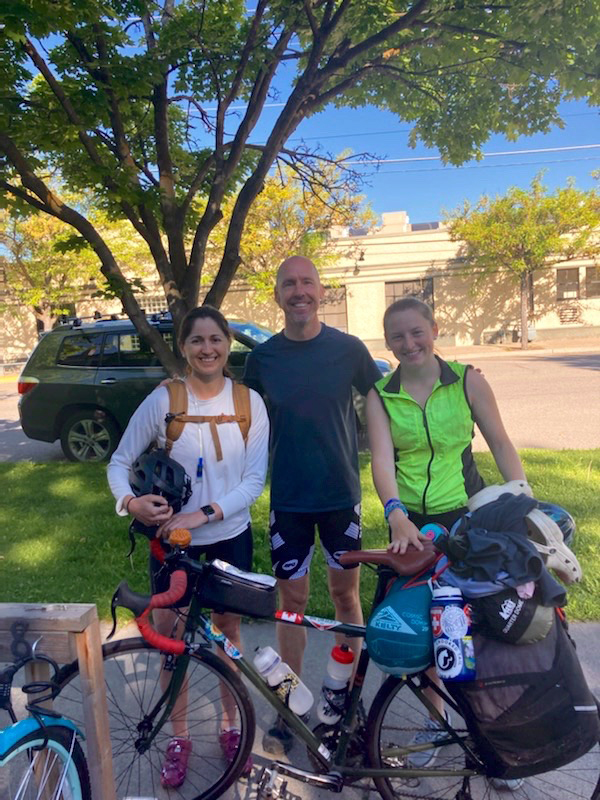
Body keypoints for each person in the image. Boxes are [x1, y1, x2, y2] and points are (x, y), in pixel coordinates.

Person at [107, 305, 269, 788]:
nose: (207, 349)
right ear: (184, 347)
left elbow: (254, 481)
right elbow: (119, 461)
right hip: (171, 550)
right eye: (197, 340)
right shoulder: (164, 400)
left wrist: (203, 514)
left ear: (228, 344)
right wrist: (131, 503)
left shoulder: (249, 403)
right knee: (171, 641)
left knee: (227, 637)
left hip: (228, 538)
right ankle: (177, 738)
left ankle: (230, 725)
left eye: (216, 339)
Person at [367, 296, 527, 780]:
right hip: (410, 526)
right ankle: (436, 726)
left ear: (434, 329)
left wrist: (523, 499)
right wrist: (394, 515)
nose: (408, 343)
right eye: (398, 336)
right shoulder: (380, 394)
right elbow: (380, 460)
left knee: (476, 632)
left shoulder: (468, 379)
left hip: (465, 519)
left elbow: (499, 441)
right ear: (388, 342)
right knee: (424, 633)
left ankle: (494, 739)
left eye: (417, 332)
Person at [243, 255, 382, 754]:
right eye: (288, 284)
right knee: (292, 606)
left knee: (346, 599)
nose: (298, 291)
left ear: (322, 291)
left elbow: (389, 403)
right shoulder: (262, 359)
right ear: (277, 294)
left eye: (307, 283)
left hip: (340, 495)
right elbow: (239, 417)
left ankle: (345, 700)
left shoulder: (349, 350)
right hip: (289, 500)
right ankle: (289, 704)